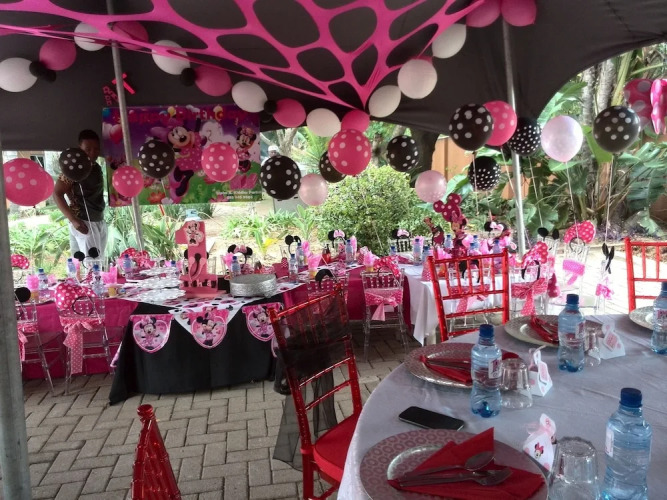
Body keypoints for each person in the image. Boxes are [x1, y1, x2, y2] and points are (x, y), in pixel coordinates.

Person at [53, 129, 107, 258]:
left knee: (97, 261)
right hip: (83, 221)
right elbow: (57, 194)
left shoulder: (96, 167)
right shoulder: (73, 169)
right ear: (79, 149)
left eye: (96, 149)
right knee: (92, 263)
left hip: (98, 219)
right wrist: (73, 220)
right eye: (88, 149)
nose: (92, 153)